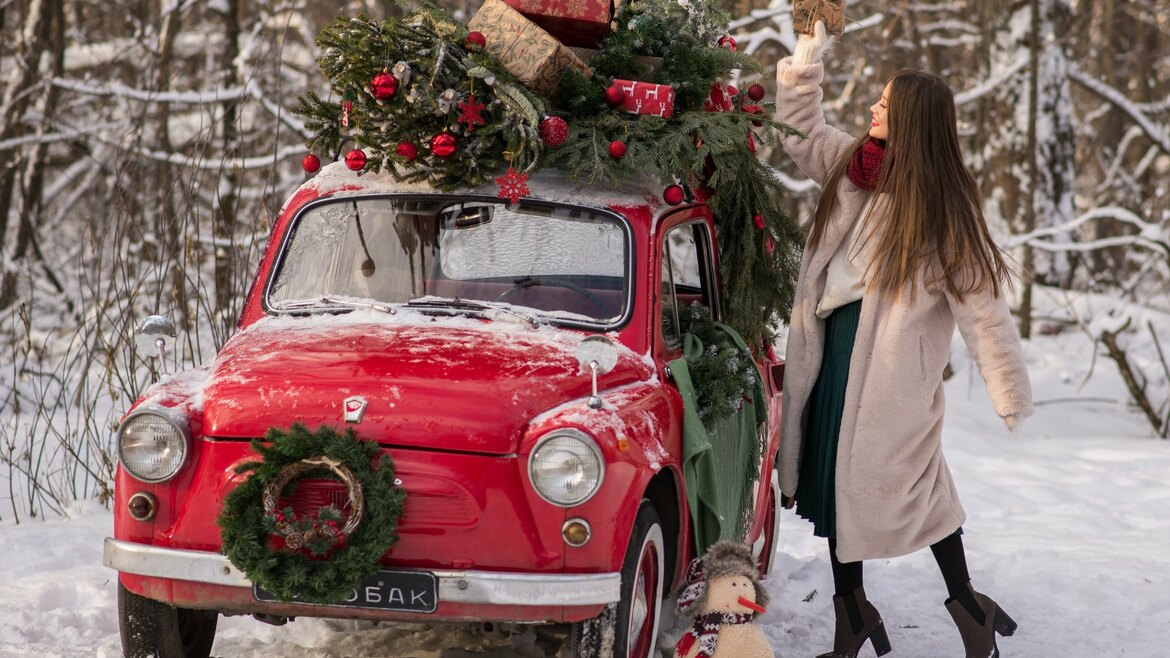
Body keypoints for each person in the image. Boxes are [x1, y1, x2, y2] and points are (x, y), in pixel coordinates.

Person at [773, 21, 1034, 658]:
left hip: (892, 376)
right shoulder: (852, 164)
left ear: (913, 120)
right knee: (831, 479)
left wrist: (1008, 390)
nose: (872, 108)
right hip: (831, 347)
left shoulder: (944, 207)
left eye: (885, 104)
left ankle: (967, 605)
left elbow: (984, 309)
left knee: (916, 488)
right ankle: (851, 614)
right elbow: (800, 123)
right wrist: (808, 52)